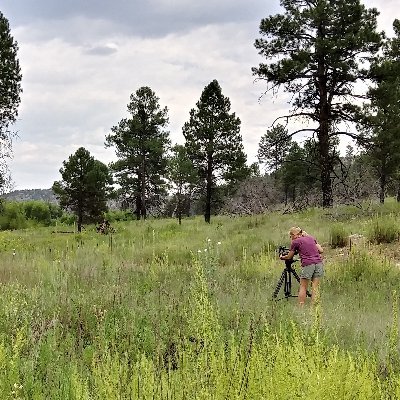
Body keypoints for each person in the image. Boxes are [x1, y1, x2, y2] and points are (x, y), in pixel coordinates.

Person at [279, 226, 324, 305]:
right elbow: (321, 250)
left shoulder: (296, 242)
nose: (291, 238)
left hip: (308, 264)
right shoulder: (311, 238)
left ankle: (301, 306)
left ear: (294, 234)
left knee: (303, 287)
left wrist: (282, 257)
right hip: (318, 263)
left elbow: (289, 256)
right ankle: (314, 308)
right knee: (315, 287)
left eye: (291, 236)